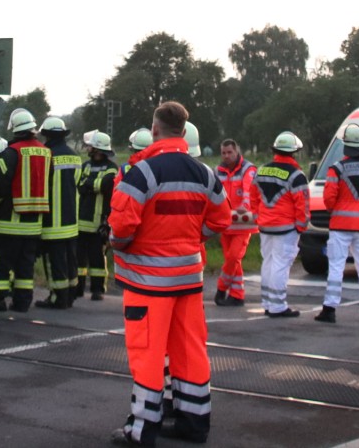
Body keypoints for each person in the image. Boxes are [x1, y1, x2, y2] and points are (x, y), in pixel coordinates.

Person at [109, 101, 230, 446]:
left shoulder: (143, 171)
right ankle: (194, 424)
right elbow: (221, 219)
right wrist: (194, 238)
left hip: (148, 284)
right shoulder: (206, 173)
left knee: (147, 353)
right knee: (190, 350)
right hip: (188, 281)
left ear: (155, 129)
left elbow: (121, 226)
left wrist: (123, 245)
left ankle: (142, 429)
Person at [315, 124, 359, 324]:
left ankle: (329, 309)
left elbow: (329, 198)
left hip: (340, 225)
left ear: (346, 146)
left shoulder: (336, 169)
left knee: (336, 266)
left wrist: (337, 209)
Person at [0, 108, 49, 312]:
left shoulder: (12, 153)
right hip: (34, 225)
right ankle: (22, 302)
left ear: (16, 130)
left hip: (8, 223)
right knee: (25, 266)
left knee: (1, 262)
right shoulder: (46, 152)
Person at [250, 131, 310, 318]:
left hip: (265, 226)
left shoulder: (262, 170)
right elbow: (302, 203)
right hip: (286, 227)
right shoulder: (296, 175)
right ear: (294, 152)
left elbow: (253, 197)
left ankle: (268, 302)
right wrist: (301, 226)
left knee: (268, 262)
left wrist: (258, 216)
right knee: (280, 265)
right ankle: (278, 306)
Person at [37, 116, 81, 309]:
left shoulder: (46, 155)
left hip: (50, 220)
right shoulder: (75, 156)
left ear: (45, 134)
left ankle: (57, 297)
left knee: (54, 261)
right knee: (70, 259)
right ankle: (70, 294)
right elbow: (77, 183)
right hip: (71, 220)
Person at [76, 130, 118, 301]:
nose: (89, 149)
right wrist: (92, 185)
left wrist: (89, 184)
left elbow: (105, 185)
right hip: (81, 220)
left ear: (98, 149)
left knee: (97, 258)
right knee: (79, 258)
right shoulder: (85, 165)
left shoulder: (112, 168)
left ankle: (97, 289)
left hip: (99, 220)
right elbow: (79, 184)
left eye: (91, 147)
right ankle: (77, 288)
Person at [214, 138, 256, 308]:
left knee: (233, 257)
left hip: (244, 224)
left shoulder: (248, 169)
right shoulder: (219, 171)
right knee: (233, 261)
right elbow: (215, 192)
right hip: (226, 223)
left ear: (237, 151)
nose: (226, 156)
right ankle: (237, 295)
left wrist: (245, 206)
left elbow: (249, 190)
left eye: (229, 152)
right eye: (223, 153)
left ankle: (221, 288)